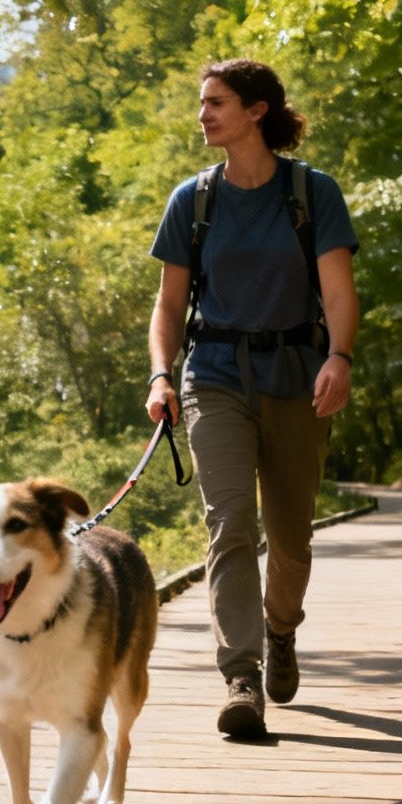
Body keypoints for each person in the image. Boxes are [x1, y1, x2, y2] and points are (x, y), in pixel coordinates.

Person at [144, 58, 360, 740]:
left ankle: (280, 627)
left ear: (257, 110)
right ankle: (241, 677)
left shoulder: (311, 192)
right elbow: (170, 301)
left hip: (297, 375)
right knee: (231, 522)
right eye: (201, 102)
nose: (203, 114)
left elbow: (338, 292)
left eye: (216, 102)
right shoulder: (194, 200)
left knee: (291, 540)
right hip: (213, 377)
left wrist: (340, 358)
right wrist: (160, 374)